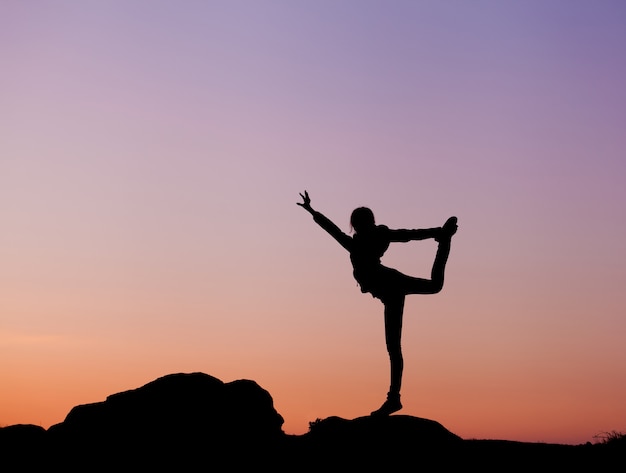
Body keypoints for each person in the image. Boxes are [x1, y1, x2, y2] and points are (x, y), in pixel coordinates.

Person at [297, 190, 457, 416]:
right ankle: (393, 399)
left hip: (390, 285)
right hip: (391, 286)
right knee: (433, 289)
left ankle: (393, 399)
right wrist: (313, 211)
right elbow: (408, 234)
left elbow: (406, 234)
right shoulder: (371, 238)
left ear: (359, 224)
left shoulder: (360, 242)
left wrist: (313, 211)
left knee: (395, 345)